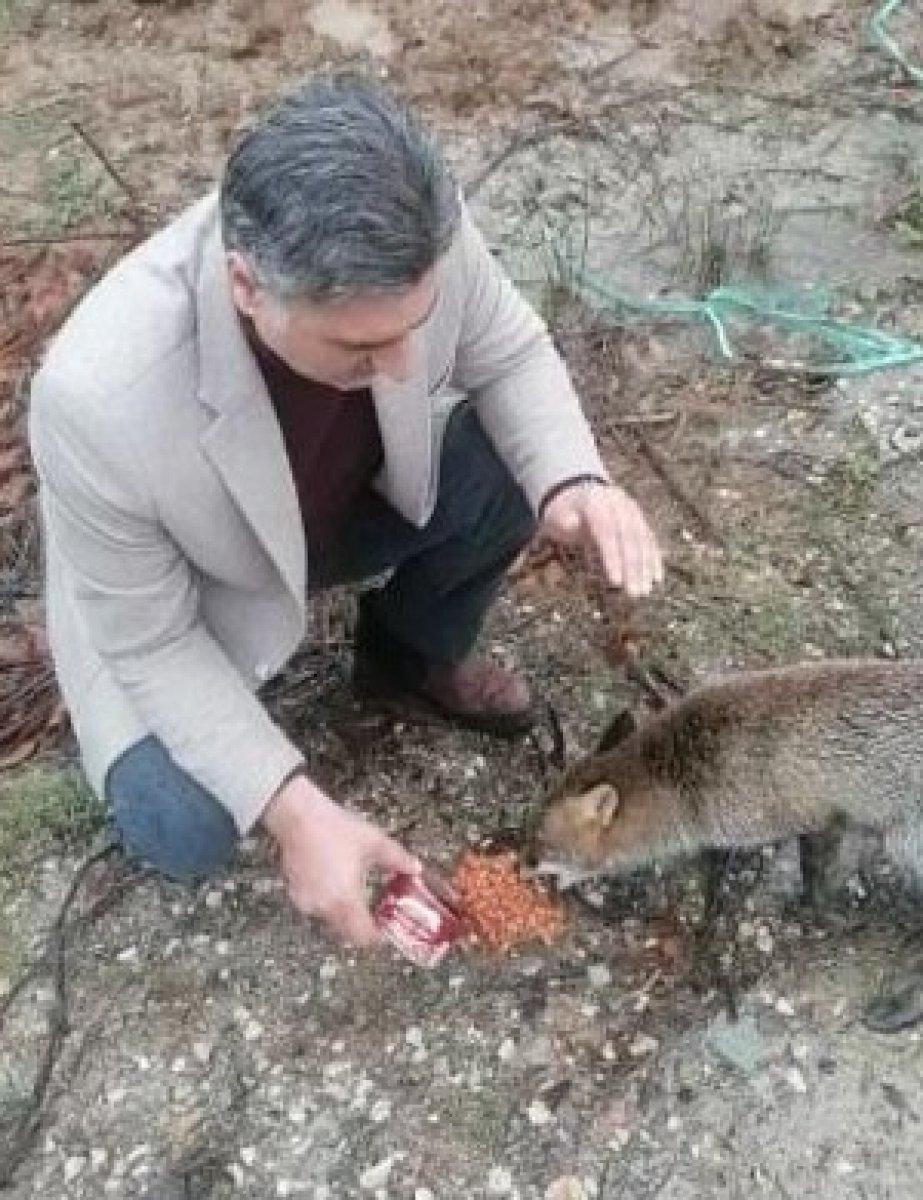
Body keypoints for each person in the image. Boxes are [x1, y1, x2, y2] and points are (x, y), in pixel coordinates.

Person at [29, 76, 663, 947]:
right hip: (194, 582)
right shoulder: (97, 397)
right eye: (362, 346)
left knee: (514, 466)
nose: (406, 367)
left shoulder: (417, 233)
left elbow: (509, 352)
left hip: (338, 505)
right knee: (184, 829)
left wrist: (572, 484)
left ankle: (409, 656)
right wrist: (294, 812)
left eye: (416, 326)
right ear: (248, 287)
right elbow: (150, 640)